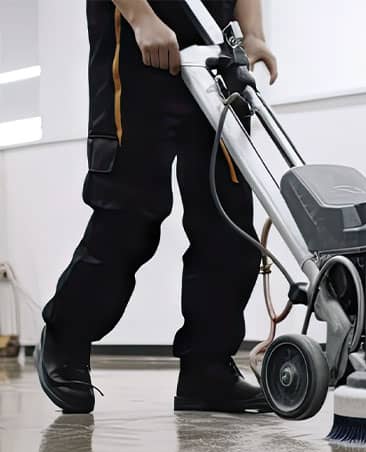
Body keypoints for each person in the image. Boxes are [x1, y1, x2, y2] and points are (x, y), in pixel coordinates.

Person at [35, 0, 278, 415]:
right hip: (137, 44)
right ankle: (67, 336)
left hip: (217, 53)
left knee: (230, 224)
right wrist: (141, 16)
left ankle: (207, 370)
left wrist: (251, 34)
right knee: (131, 213)